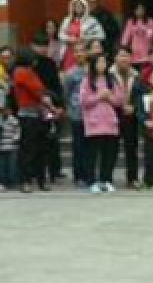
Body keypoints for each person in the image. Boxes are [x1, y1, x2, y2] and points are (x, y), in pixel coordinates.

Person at [79, 53, 124, 193]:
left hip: (110, 122)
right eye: (99, 62)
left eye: (104, 62)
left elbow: (119, 100)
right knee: (92, 155)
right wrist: (99, 96)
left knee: (109, 154)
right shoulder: (87, 80)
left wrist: (109, 97)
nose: (102, 65)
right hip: (93, 123)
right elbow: (84, 101)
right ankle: (92, 181)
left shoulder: (111, 79)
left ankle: (107, 180)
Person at [13, 48, 54, 193]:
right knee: (28, 149)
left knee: (40, 149)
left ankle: (40, 179)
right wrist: (52, 107)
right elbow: (38, 91)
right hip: (28, 115)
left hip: (38, 113)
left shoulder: (29, 72)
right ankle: (26, 180)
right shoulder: (22, 72)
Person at [30, 33, 66, 183]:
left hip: (51, 105)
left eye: (45, 46)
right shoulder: (28, 62)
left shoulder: (50, 63)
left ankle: (54, 170)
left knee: (52, 138)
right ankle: (34, 171)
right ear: (33, 46)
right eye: (40, 46)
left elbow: (57, 85)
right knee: (34, 140)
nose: (43, 49)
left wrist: (60, 105)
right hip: (33, 105)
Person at [110, 46, 141, 189]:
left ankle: (132, 178)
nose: (123, 59)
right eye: (121, 55)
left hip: (131, 116)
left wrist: (134, 107)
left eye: (126, 56)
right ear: (115, 58)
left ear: (131, 58)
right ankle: (107, 178)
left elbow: (141, 94)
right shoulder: (108, 74)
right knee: (111, 148)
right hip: (112, 115)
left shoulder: (137, 75)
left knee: (131, 148)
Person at [63, 41, 89, 187]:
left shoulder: (92, 70)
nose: (79, 54)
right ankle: (78, 175)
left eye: (82, 50)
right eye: (76, 51)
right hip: (77, 113)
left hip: (92, 114)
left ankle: (89, 173)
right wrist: (69, 109)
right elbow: (66, 93)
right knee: (78, 146)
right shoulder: (70, 73)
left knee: (90, 146)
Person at [59, 0, 105, 72]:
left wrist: (86, 38)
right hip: (70, 51)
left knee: (86, 71)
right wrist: (69, 38)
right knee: (70, 72)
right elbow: (60, 35)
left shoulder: (92, 20)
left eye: (80, 6)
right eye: (76, 6)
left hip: (86, 50)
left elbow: (101, 35)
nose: (78, 8)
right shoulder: (67, 20)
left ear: (84, 8)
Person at [120, 2, 153, 69]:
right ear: (134, 11)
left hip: (147, 51)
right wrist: (123, 47)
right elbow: (125, 37)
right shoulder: (130, 21)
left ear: (145, 10)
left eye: (141, 9)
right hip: (134, 52)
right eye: (138, 9)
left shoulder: (151, 21)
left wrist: (145, 30)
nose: (140, 11)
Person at [0, 100, 20, 192]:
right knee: (2, 166)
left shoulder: (13, 120)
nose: (5, 111)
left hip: (12, 146)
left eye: (7, 110)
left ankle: (12, 182)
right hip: (1, 146)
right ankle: (3, 182)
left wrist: (15, 139)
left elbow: (17, 131)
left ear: (11, 111)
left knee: (12, 165)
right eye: (4, 110)